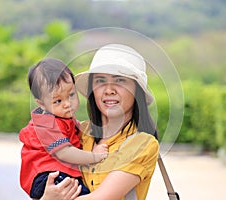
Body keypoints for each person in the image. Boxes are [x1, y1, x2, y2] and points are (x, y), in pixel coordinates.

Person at [41, 44, 159, 200]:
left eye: (120, 80)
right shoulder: (77, 132)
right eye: (100, 81)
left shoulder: (142, 144)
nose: (109, 90)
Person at [19, 58, 108, 199]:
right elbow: (64, 153)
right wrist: (94, 157)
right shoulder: (45, 124)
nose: (67, 104)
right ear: (42, 104)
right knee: (82, 194)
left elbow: (78, 130)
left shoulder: (63, 118)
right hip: (47, 174)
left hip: (57, 171)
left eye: (71, 95)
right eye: (58, 101)